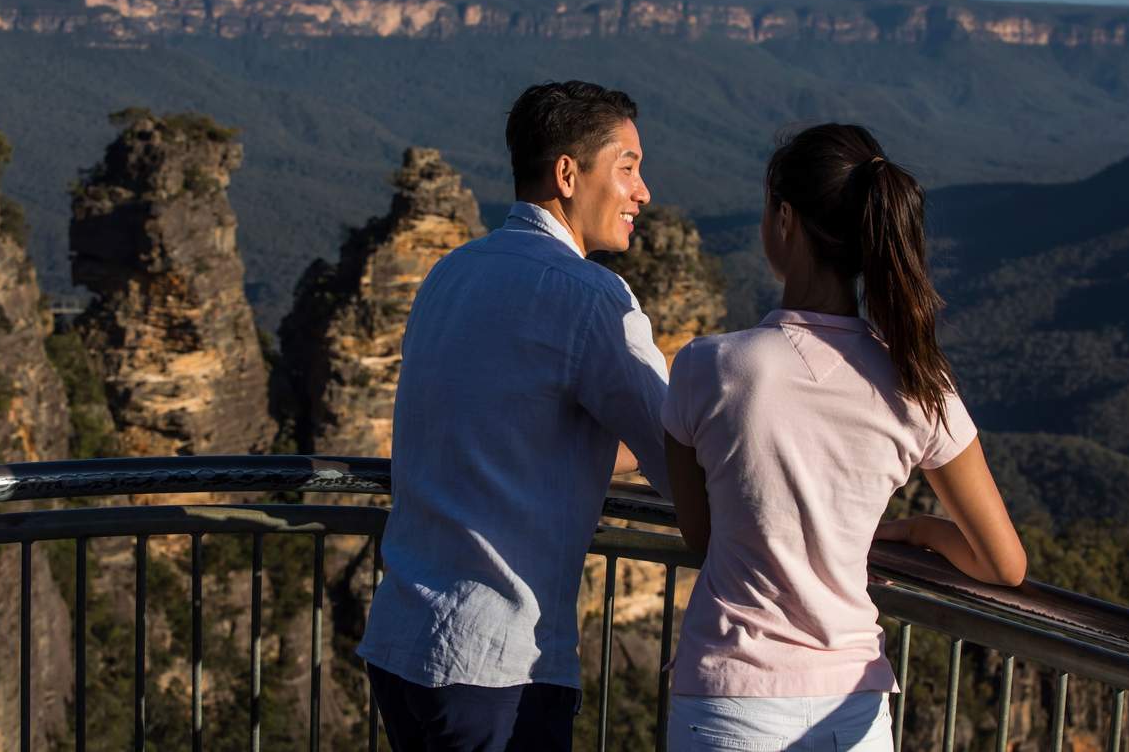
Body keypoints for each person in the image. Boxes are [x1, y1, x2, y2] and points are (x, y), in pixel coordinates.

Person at [661, 124, 1027, 751]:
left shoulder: (707, 367)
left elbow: (702, 534)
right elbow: (1004, 564)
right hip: (852, 713)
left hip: (729, 703)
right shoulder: (918, 385)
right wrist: (918, 531)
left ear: (784, 218)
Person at [357, 80, 673, 750]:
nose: (642, 191)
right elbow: (680, 458)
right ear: (568, 174)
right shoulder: (592, 297)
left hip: (400, 640)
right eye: (627, 168)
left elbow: (507, 435)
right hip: (496, 664)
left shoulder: (450, 272)